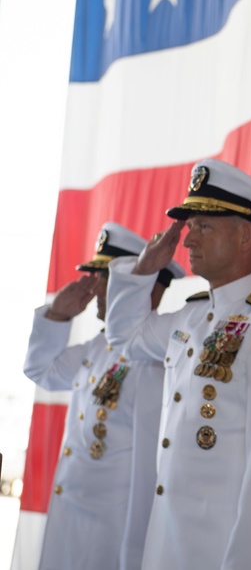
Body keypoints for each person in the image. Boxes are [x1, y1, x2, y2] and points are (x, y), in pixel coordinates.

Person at [104, 159, 251, 570]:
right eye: (190, 227)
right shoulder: (189, 317)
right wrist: (143, 271)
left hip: (222, 555)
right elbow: (124, 339)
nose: (187, 241)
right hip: (166, 549)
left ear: (244, 235)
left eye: (203, 226)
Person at [24, 222, 184, 570]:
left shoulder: (154, 362)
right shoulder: (98, 348)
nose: (96, 288)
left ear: (141, 286)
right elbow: (42, 372)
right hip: (70, 528)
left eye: (106, 277)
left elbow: (148, 474)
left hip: (108, 541)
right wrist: (57, 316)